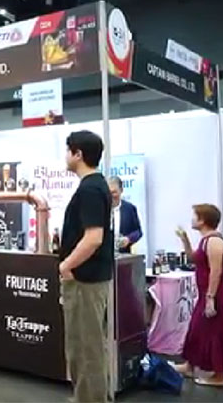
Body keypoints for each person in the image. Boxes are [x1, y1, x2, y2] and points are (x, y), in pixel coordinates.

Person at [58, 130, 114, 403]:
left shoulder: (90, 189)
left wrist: (66, 265)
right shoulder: (96, 186)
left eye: (68, 150)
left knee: (85, 349)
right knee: (88, 347)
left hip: (85, 280)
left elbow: (93, 238)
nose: (65, 156)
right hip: (89, 278)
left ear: (78, 154)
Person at [174, 204, 223, 386]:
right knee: (197, 329)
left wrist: (210, 298)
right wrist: (184, 240)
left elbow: (216, 272)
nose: (192, 219)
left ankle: (220, 376)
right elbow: (194, 259)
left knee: (216, 332)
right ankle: (190, 365)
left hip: (218, 296)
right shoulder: (206, 240)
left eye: (195, 216)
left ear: (203, 220)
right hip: (208, 294)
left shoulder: (214, 241)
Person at [107, 176, 143, 253]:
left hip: (123, 255)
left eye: (114, 192)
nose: (111, 196)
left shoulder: (129, 208)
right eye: (108, 193)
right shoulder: (100, 209)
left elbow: (138, 231)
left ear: (121, 190)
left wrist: (128, 239)